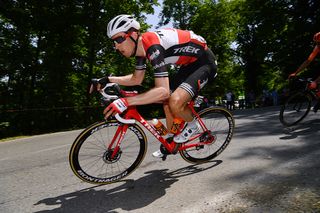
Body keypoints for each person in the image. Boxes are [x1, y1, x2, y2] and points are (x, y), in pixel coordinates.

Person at [90, 15, 217, 158]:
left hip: (205, 63)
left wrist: (126, 102)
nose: (116, 46)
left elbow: (162, 91)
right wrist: (107, 79)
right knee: (167, 104)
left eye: (119, 39)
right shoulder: (140, 50)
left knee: (174, 100)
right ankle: (172, 142)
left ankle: (194, 125)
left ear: (133, 34)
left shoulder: (153, 46)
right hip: (187, 65)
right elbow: (136, 79)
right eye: (113, 42)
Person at [289, 32, 320, 112]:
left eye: (319, 43)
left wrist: (316, 81)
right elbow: (308, 61)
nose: (317, 44)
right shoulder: (317, 47)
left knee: (315, 82)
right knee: (314, 85)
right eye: (316, 43)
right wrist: (296, 73)